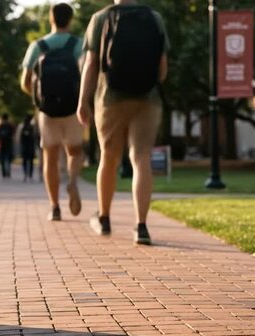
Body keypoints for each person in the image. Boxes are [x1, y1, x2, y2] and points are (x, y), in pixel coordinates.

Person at [77, 0, 170, 244]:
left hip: (110, 97)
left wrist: (83, 101)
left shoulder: (100, 18)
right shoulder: (154, 17)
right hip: (148, 99)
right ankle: (141, 226)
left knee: (109, 156)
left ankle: (104, 218)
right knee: (141, 158)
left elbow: (91, 63)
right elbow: (162, 67)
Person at [20, 2, 84, 221]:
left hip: (47, 111)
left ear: (51, 18)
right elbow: (86, 76)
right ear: (71, 19)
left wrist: (37, 98)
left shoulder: (38, 46)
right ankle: (73, 179)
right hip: (73, 109)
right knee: (74, 151)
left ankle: (55, 207)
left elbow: (25, 81)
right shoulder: (78, 44)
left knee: (50, 157)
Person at [0, 113, 14, 178]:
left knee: (2, 159)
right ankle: (8, 172)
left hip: (2, 144)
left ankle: (4, 173)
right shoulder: (10, 126)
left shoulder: (0, 126)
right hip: (9, 144)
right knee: (8, 159)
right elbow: (13, 134)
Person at [17, 114, 37, 182]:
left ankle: (25, 174)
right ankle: (30, 175)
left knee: (24, 162)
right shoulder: (32, 127)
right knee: (31, 162)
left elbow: (19, 138)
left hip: (24, 147)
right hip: (30, 147)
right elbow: (35, 137)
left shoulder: (21, 127)